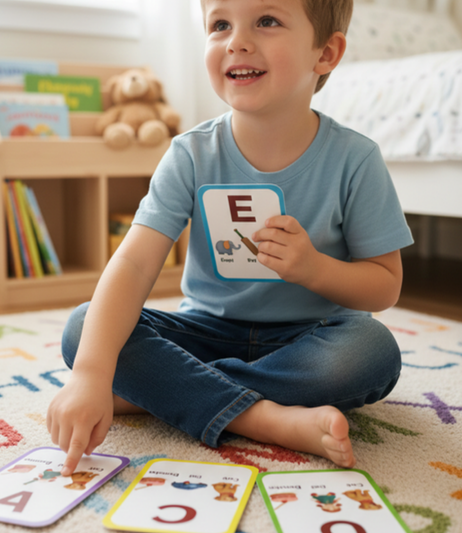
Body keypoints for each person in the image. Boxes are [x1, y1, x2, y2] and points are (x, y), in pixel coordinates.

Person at [47, 0, 414, 477]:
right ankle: (265, 419)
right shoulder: (190, 154)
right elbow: (135, 264)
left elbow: (384, 285)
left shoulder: (356, 160)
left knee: (373, 350)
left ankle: (171, 392)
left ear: (325, 54)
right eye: (220, 24)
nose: (236, 40)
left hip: (310, 339)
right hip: (206, 332)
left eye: (266, 21)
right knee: (84, 329)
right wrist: (93, 374)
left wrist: (313, 268)